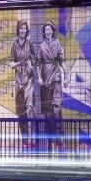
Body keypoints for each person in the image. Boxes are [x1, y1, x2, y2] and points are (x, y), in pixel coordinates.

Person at [37, 21, 65, 150]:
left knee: (56, 109)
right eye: (46, 30)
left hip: (56, 76)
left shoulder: (57, 43)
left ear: (53, 31)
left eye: (49, 29)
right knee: (48, 111)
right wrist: (39, 77)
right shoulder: (41, 46)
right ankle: (50, 137)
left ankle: (59, 137)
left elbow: (61, 60)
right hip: (45, 77)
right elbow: (38, 63)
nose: (47, 32)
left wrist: (67, 73)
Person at [9, 20, 37, 147]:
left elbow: (34, 59)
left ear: (27, 30)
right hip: (18, 82)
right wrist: (20, 63)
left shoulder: (29, 43)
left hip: (29, 81)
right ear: (18, 29)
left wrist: (30, 63)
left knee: (30, 110)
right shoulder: (14, 45)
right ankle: (25, 140)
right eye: (21, 28)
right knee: (20, 113)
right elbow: (11, 65)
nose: (23, 30)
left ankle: (32, 139)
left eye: (25, 28)